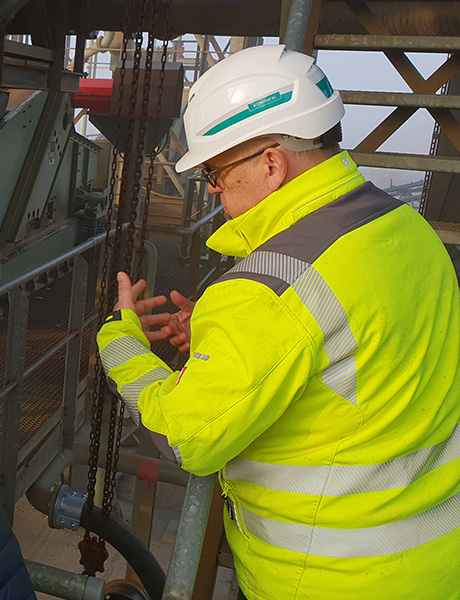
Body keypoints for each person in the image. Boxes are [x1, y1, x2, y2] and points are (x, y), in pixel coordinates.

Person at [97, 44, 460, 600]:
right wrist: (232, 342)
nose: (214, 191)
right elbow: (359, 352)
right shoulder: (406, 229)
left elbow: (186, 437)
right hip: (435, 559)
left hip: (330, 579)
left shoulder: (266, 292)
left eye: (216, 173)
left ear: (271, 162)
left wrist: (120, 336)